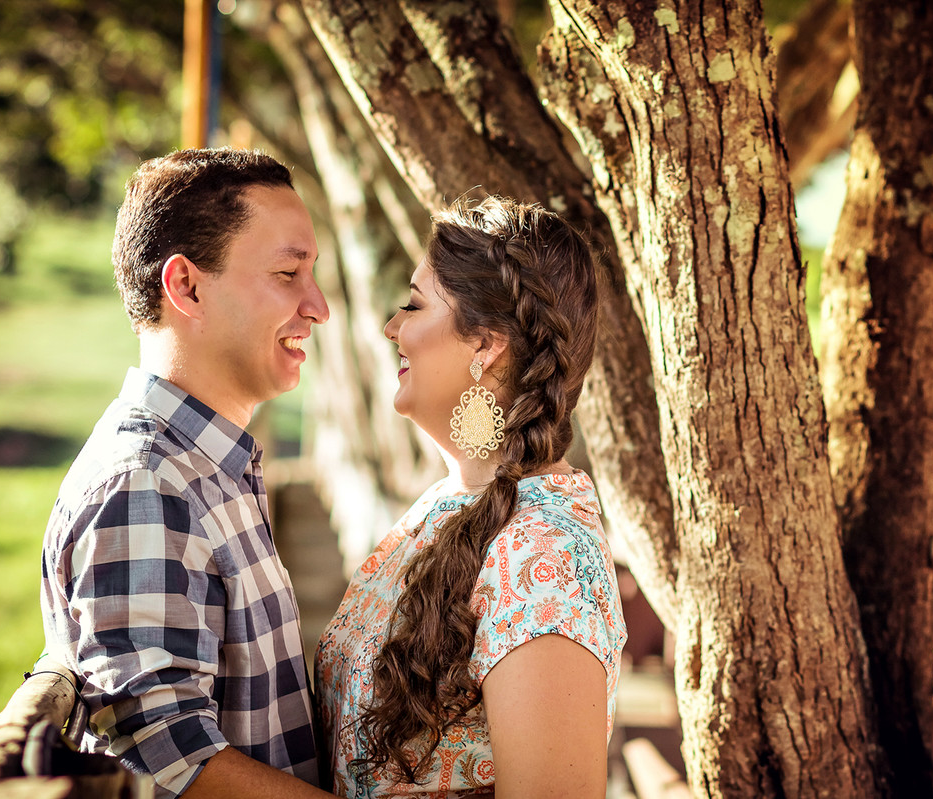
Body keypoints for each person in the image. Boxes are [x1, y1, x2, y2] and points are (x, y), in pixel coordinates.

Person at [40, 148, 334, 798]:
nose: (318, 306)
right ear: (187, 287)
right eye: (288, 273)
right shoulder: (146, 484)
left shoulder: (209, 467)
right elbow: (171, 763)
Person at [315, 196, 627, 797]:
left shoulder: (548, 561)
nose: (392, 327)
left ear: (485, 346)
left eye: (413, 305)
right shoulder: (448, 504)